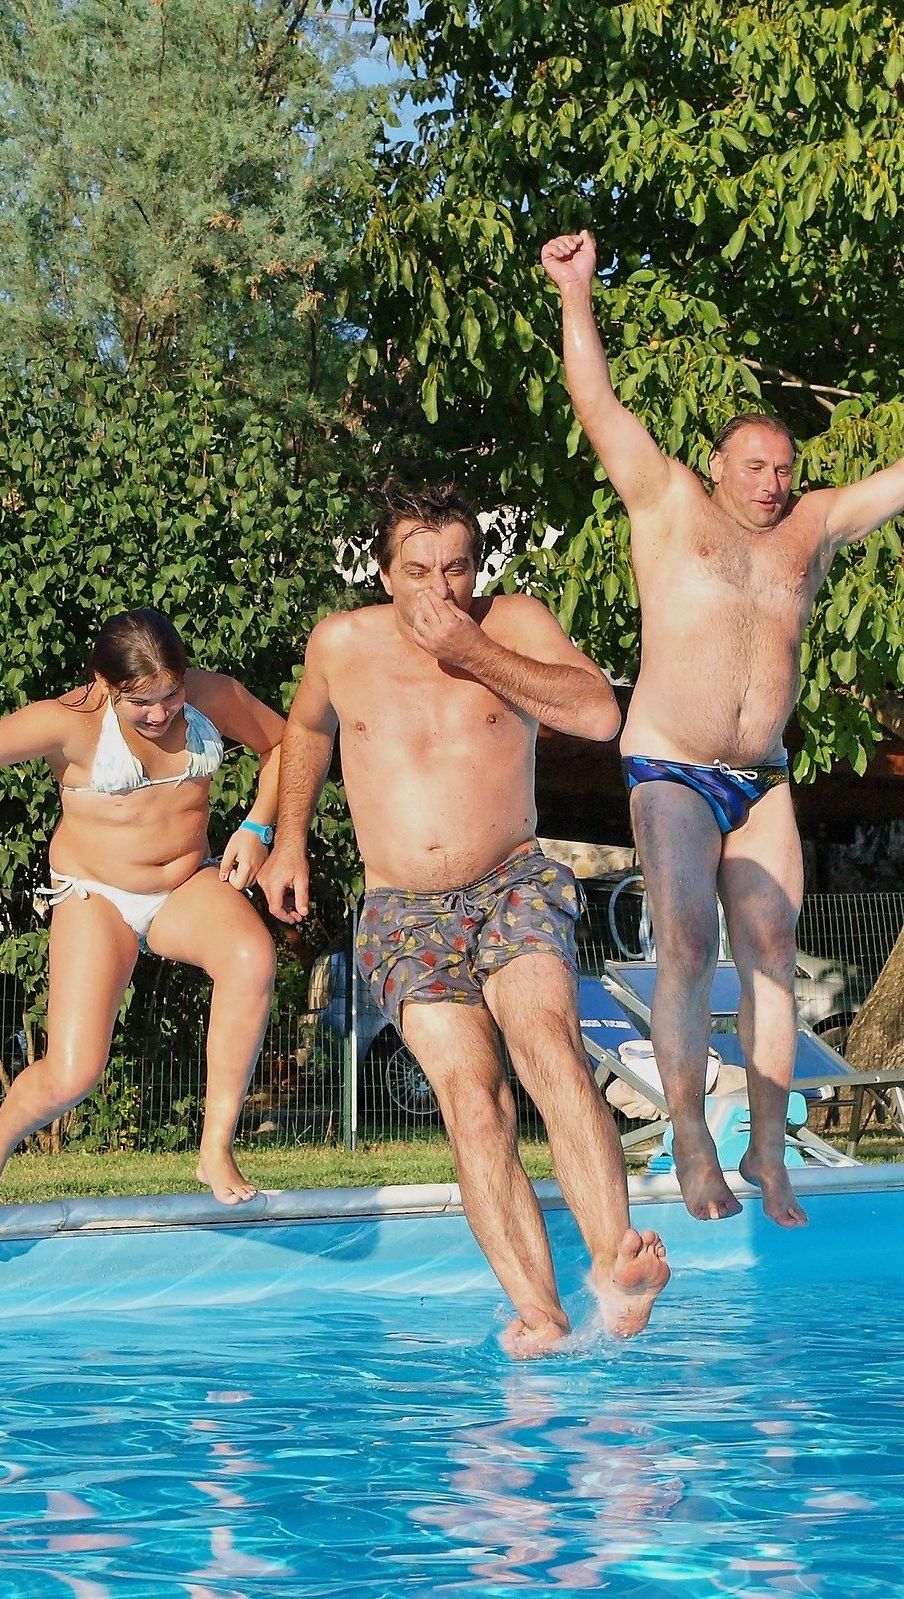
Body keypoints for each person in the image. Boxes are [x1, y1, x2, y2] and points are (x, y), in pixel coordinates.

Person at [538, 229, 904, 1225]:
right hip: (672, 765)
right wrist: (576, 292)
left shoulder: (810, 527)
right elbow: (596, 402)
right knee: (685, 941)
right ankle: (688, 1135)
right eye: (756, 464)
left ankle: (768, 1149)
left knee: (771, 949)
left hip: (762, 775)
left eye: (784, 466)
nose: (772, 480)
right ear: (717, 463)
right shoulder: (668, 501)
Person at [257, 486, 668, 1356]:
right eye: (415, 571)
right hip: (401, 906)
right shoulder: (343, 643)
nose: (436, 590)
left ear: (475, 568)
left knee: (546, 1043)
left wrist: (475, 649)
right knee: (472, 1101)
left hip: (512, 877)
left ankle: (614, 1267)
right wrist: (284, 835)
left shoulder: (510, 622)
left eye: (454, 569)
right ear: (383, 570)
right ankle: (540, 1310)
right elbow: (305, 730)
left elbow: (599, 714)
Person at [0, 608, 286, 1236]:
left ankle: (214, 1145)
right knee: (76, 1070)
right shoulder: (69, 726)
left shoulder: (211, 695)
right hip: (96, 896)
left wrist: (260, 827)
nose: (162, 714)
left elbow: (285, 743)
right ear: (103, 682)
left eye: (172, 693)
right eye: (140, 702)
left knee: (251, 957)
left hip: (185, 884)